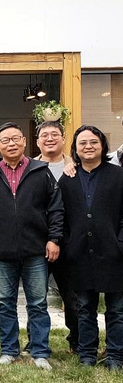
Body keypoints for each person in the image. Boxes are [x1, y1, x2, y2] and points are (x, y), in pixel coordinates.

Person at [0, 122, 64, 371]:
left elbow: (55, 208)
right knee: (6, 303)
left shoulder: (41, 172)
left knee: (37, 303)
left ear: (25, 142)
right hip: (2, 251)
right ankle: (9, 349)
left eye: (16, 138)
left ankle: (40, 351)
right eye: (5, 140)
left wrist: (54, 238)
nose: (11, 144)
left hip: (36, 250)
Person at [59, 125, 123, 370]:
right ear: (75, 148)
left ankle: (116, 355)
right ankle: (87, 354)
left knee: (117, 310)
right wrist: (68, 244)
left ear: (102, 145)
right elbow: (61, 216)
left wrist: (120, 243)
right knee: (85, 308)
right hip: (80, 254)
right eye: (82, 143)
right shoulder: (68, 178)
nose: (88, 146)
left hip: (114, 253)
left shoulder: (118, 175)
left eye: (93, 142)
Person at [28, 121, 78, 354]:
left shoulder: (76, 166)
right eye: (44, 135)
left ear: (63, 139)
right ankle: (34, 341)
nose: (50, 139)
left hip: (70, 241)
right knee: (36, 296)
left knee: (73, 295)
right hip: (37, 241)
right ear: (37, 141)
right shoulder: (29, 168)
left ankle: (77, 340)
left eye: (55, 134)